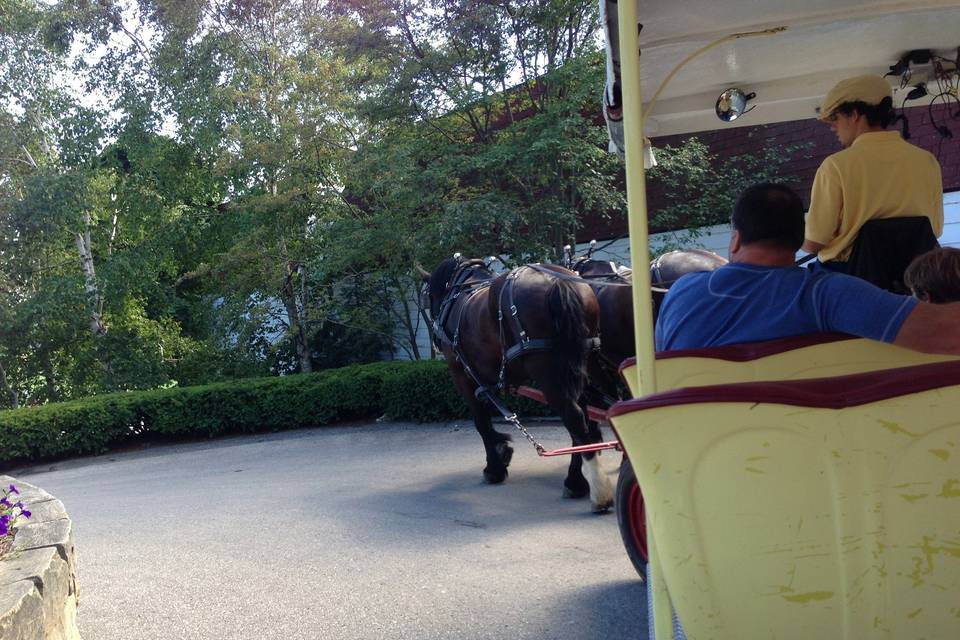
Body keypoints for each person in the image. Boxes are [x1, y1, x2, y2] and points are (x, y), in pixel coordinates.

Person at [656, 182, 960, 354]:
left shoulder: (681, 291)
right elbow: (947, 332)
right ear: (798, 240)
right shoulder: (825, 295)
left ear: (735, 241)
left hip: (695, 455)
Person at [802, 75, 944, 269]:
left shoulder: (836, 166)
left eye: (835, 118)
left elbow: (813, 244)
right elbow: (935, 230)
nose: (832, 127)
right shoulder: (927, 161)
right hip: (914, 282)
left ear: (854, 114)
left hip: (851, 282)